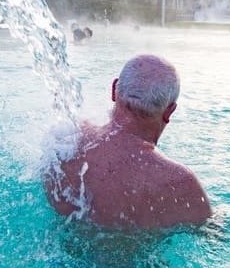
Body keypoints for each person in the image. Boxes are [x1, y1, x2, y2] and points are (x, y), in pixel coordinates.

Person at [44, 55, 212, 228]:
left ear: (114, 90)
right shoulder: (179, 182)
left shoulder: (64, 139)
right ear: (169, 112)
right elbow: (213, 236)